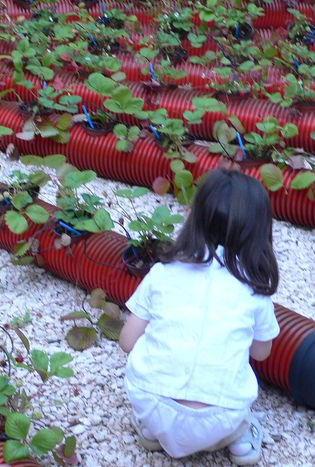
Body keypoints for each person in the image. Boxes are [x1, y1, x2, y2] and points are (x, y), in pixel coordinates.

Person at [119, 168, 280, 465]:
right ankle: (239, 439)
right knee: (239, 386)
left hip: (151, 403)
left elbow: (127, 341)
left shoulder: (162, 273)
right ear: (259, 232)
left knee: (147, 363)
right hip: (219, 419)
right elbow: (261, 350)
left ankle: (154, 431)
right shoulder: (254, 290)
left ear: (193, 218)